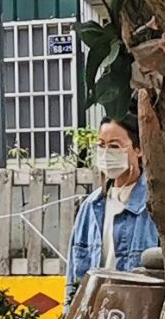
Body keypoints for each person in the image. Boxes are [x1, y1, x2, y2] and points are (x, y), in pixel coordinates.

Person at [66, 115, 159, 295]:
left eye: (115, 146)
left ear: (138, 149)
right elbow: (74, 276)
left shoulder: (153, 205)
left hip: (136, 310)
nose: (107, 152)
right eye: (102, 145)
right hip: (95, 311)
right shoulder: (91, 207)